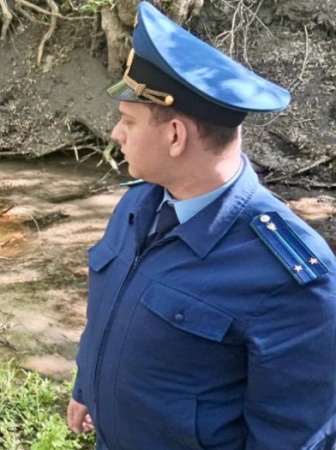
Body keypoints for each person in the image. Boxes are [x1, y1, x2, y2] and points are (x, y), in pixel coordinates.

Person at [67, 2, 336, 449]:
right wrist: (86, 385)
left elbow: (293, 436)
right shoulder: (138, 204)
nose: (116, 133)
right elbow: (108, 310)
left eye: (128, 121)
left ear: (175, 136)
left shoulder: (292, 278)